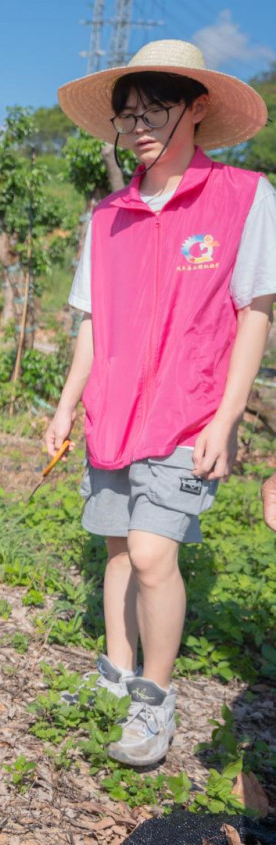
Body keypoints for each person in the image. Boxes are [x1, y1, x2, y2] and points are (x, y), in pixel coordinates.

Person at [50, 40, 276, 767]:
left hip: (186, 414)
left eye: (155, 109)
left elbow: (255, 312)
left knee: (152, 554)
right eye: (126, 116)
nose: (138, 126)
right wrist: (63, 406)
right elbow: (91, 323)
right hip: (110, 412)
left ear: (197, 107)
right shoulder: (107, 214)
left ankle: (155, 695)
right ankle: (115, 670)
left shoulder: (244, 197)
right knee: (116, 544)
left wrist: (227, 416)